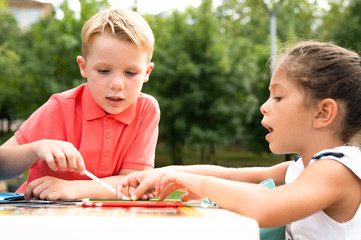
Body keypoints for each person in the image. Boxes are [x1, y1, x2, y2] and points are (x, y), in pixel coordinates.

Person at [117, 41, 361, 239]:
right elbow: (232, 175)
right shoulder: (301, 169)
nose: (264, 107)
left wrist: (198, 184)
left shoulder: (339, 169)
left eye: (278, 97)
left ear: (323, 113)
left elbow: (267, 207)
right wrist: (165, 173)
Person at [0, 8, 160, 201]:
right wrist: (36, 148)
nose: (117, 84)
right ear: (83, 67)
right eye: (103, 70)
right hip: (35, 215)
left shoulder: (146, 110)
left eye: (131, 73)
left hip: (102, 220)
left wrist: (74, 189)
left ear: (147, 72)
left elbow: (133, 184)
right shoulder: (60, 107)